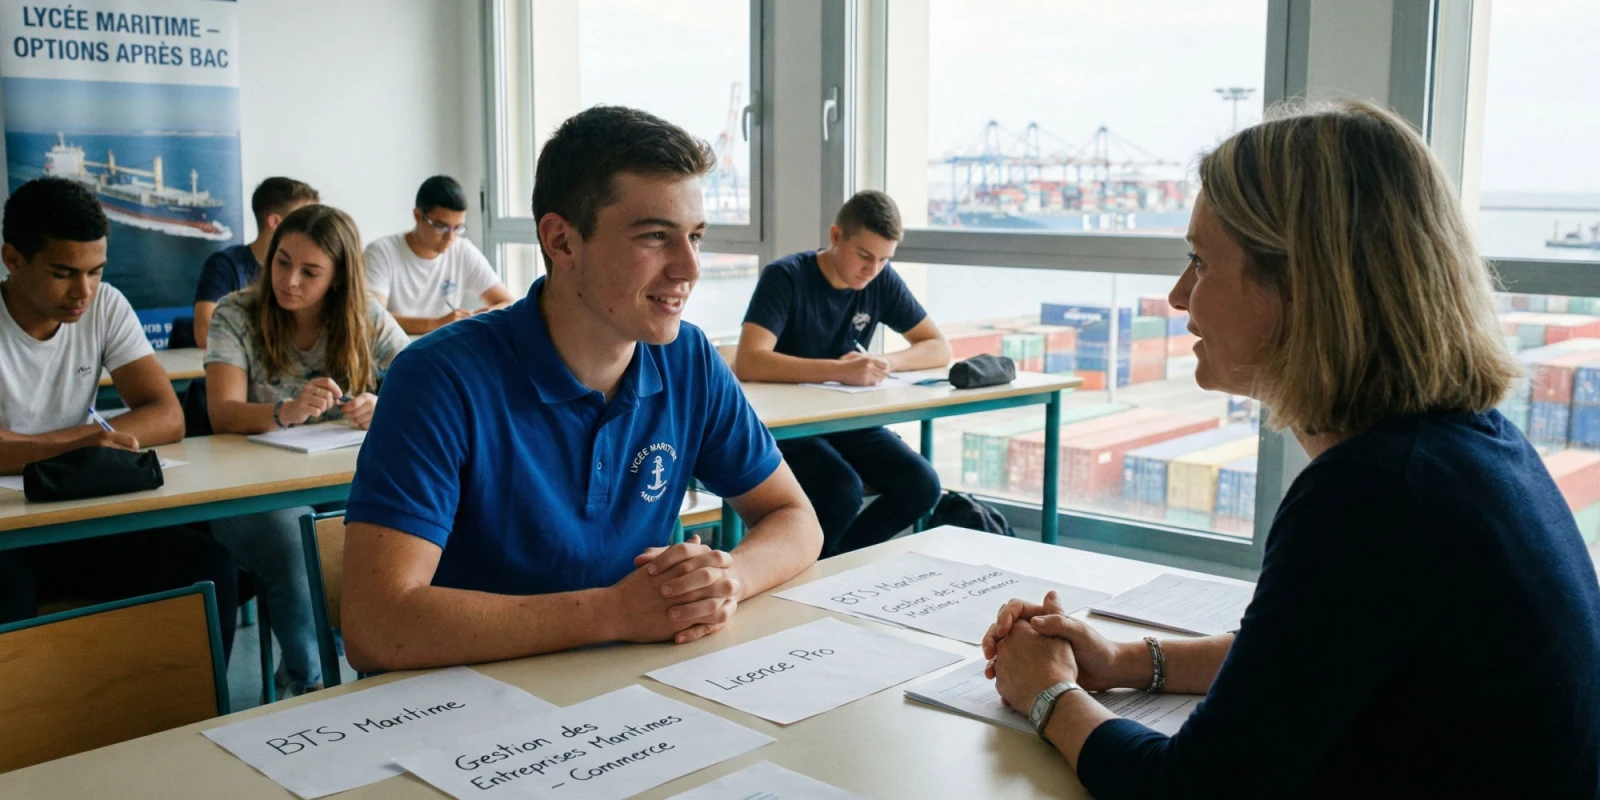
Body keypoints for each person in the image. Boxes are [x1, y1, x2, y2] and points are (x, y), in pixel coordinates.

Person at [983, 100, 1600, 797]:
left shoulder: (1373, 494)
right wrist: (1123, 659)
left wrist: (1048, 694)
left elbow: (1190, 790)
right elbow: (1303, 662)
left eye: (1200, 262)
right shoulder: (1474, 449)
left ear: (1299, 285)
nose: (1178, 296)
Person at [340, 106, 823, 672]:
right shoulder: (438, 378)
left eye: (694, 236)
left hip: (621, 690)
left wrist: (727, 579)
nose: (689, 268)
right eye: (655, 237)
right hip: (465, 712)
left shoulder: (688, 358)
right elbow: (378, 626)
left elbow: (795, 518)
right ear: (562, 242)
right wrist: (615, 613)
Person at [0, 177, 238, 654]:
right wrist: (82, 445)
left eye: (96, 271)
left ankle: (193, 719)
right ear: (13, 260)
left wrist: (65, 448)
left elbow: (167, 415)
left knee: (208, 568)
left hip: (82, 513)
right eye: (63, 272)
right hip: (7, 532)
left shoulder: (104, 305)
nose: (82, 291)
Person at [204, 204, 408, 697]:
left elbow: (422, 378)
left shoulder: (365, 318)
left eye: (310, 272)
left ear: (338, 279)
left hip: (334, 481)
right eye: (281, 262)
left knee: (381, 524)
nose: (289, 280)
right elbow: (222, 411)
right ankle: (312, 684)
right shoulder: (236, 312)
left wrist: (383, 402)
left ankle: (374, 670)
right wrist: (283, 413)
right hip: (247, 491)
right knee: (294, 537)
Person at [734, 191, 949, 556]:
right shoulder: (785, 277)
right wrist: (840, 371)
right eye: (865, 256)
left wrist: (885, 363)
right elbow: (749, 361)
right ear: (836, 237)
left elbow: (938, 347)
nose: (873, 269)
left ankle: (835, 562)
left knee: (922, 484)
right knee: (840, 489)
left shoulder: (880, 279)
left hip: (846, 419)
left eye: (884, 259)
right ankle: (807, 569)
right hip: (786, 427)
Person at [364, 175, 513, 334]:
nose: (450, 237)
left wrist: (480, 316)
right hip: (397, 353)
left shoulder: (462, 250)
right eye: (441, 226)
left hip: (444, 349)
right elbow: (372, 319)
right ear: (418, 216)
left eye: (457, 228)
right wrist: (436, 324)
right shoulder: (381, 253)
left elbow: (507, 302)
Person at [192, 177, 320, 348]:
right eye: (304, 219)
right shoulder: (225, 265)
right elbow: (205, 333)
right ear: (276, 222)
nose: (315, 227)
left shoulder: (319, 270)